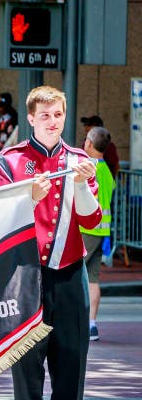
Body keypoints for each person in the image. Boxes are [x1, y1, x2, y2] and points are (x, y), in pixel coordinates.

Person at [0, 85, 101, 400]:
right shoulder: (10, 161)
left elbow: (92, 218)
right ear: (31, 118)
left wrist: (83, 182)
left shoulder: (79, 159)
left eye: (58, 115)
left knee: (72, 355)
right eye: (45, 115)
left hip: (69, 270)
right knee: (28, 357)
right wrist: (28, 198)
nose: (53, 122)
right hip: (27, 272)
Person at [80, 126, 115, 342]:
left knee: (73, 275)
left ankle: (74, 321)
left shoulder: (88, 169)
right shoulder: (107, 172)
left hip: (86, 230)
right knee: (93, 278)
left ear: (90, 144)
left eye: (86, 140)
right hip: (102, 231)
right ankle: (92, 324)